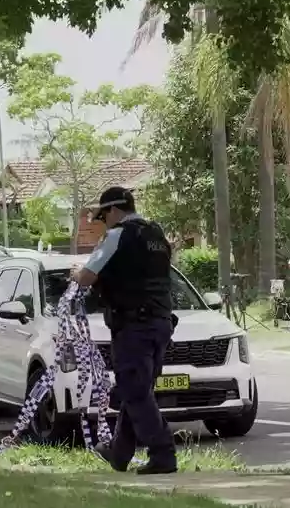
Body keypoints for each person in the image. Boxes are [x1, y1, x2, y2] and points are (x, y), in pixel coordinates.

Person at [70, 186, 177, 475]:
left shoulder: (118, 235)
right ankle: (119, 453)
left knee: (135, 391)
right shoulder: (155, 235)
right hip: (161, 323)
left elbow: (87, 277)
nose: (104, 223)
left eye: (103, 217)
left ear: (114, 211)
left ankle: (163, 453)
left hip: (133, 326)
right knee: (138, 390)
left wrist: (75, 271)